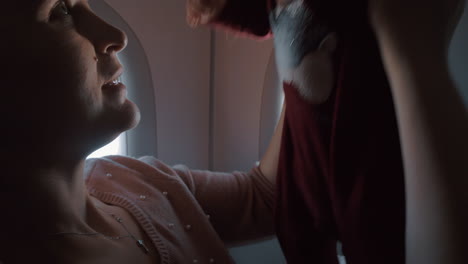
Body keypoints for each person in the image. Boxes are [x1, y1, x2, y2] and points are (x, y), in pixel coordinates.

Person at [0, 1, 284, 263]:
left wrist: (302, 54)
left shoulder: (133, 179)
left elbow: (264, 199)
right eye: (60, 11)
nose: (116, 35)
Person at [187, 0, 468, 264]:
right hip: (301, 155)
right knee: (294, 226)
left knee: (373, 232)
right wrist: (219, 9)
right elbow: (264, 20)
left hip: (360, 151)